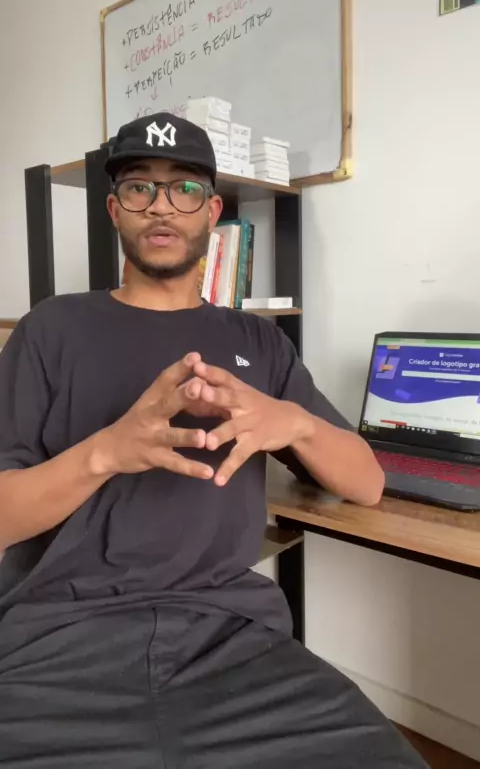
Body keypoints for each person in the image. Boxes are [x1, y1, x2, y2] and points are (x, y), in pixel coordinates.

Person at [0, 112, 427, 768]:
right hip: (59, 639)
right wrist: (108, 450)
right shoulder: (50, 329)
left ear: (212, 211)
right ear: (114, 209)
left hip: (232, 639)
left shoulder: (257, 342)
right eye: (139, 187)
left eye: (185, 188)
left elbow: (367, 484)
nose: (161, 206)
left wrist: (294, 422)